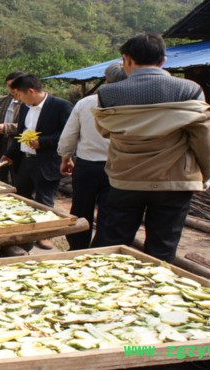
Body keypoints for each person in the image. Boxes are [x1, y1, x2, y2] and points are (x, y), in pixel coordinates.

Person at [91, 33, 210, 262]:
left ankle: (108, 291)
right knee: (162, 247)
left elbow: (105, 131)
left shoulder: (107, 93)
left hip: (125, 178)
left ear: (126, 59)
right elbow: (204, 138)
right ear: (163, 61)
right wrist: (206, 173)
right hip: (174, 180)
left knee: (113, 243)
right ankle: (154, 292)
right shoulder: (189, 90)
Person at [58, 62, 127, 251]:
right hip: (119, 167)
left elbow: (69, 135)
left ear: (106, 80)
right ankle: (100, 249)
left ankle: (77, 248)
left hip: (88, 166)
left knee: (81, 209)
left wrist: (66, 157)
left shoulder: (86, 103)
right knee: (109, 211)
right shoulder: (133, 103)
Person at [1, 74, 74, 252]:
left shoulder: (61, 106)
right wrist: (9, 154)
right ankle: (23, 236)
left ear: (31, 91)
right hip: (26, 161)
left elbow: (68, 134)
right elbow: (21, 133)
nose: (18, 99)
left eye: (19, 95)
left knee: (45, 200)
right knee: (22, 198)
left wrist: (43, 142)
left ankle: (44, 236)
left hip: (47, 162)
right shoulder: (26, 108)